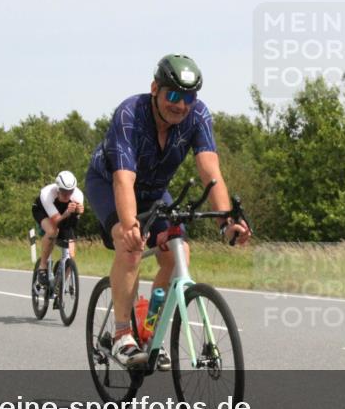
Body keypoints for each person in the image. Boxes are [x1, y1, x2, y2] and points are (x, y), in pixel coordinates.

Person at [85, 53, 250, 368]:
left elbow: (209, 170)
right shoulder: (129, 114)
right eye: (173, 95)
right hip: (110, 183)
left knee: (179, 255)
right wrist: (131, 226)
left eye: (189, 97)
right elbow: (123, 178)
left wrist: (226, 221)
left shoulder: (197, 116)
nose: (181, 104)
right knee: (129, 245)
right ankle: (122, 336)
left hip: (155, 191)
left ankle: (151, 329)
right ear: (154, 89)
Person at [32, 171, 84, 287]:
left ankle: (59, 286)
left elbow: (71, 225)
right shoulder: (47, 194)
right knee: (52, 231)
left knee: (71, 251)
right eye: (64, 191)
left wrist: (76, 214)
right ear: (58, 188)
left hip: (62, 213)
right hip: (42, 211)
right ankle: (43, 266)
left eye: (70, 192)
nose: (67, 195)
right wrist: (66, 213)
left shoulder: (78, 196)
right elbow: (55, 221)